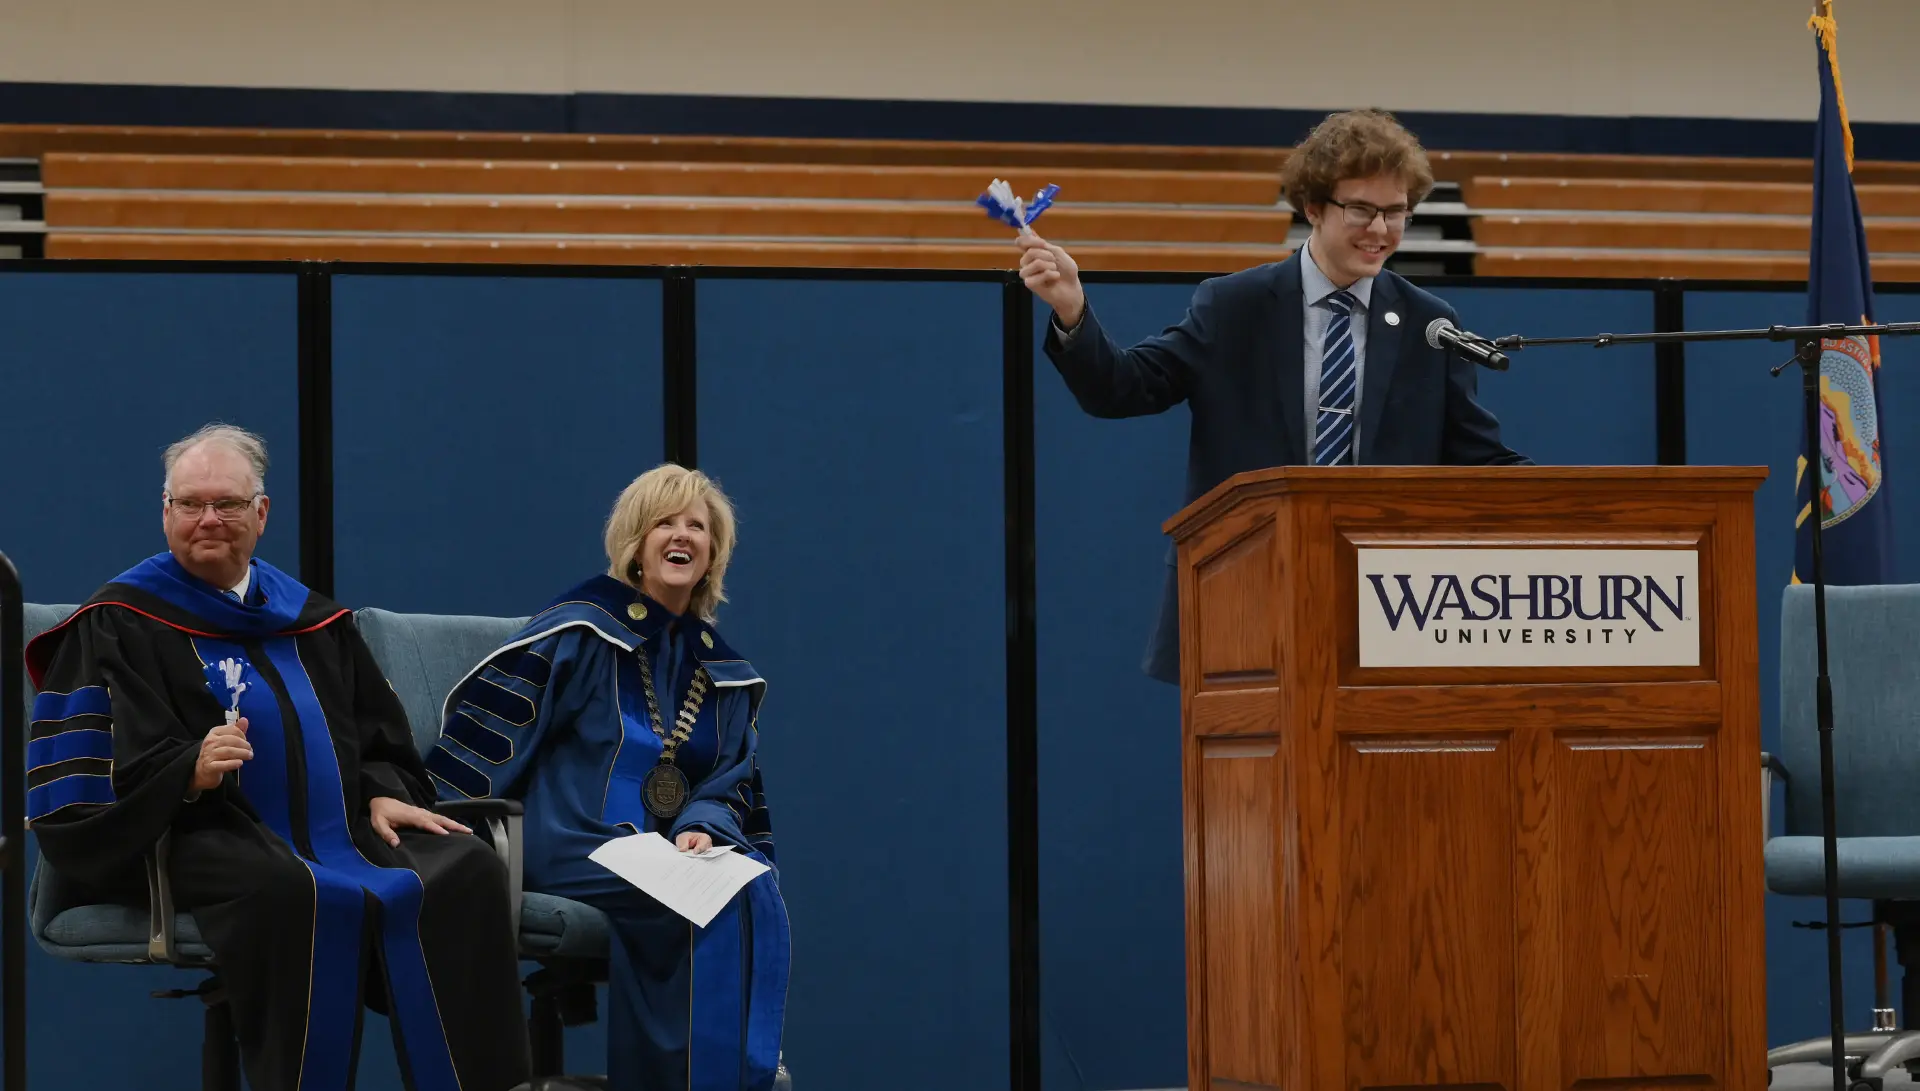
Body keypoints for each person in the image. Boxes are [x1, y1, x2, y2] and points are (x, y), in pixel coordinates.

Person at [25, 424, 531, 1091]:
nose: (209, 518)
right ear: (165, 512)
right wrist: (188, 770)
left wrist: (381, 786)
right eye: (190, 503)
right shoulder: (118, 620)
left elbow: (376, 736)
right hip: (198, 834)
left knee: (464, 869)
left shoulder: (311, 619)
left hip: (345, 829)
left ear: (261, 514)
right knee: (296, 892)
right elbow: (84, 783)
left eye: (228, 504)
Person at [1016, 107, 1530, 684]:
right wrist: (1071, 310)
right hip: (1247, 583)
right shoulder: (1235, 306)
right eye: (1361, 209)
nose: (1381, 230)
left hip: (1387, 604)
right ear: (1313, 207)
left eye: (1396, 212)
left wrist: (1565, 508)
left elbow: (1479, 456)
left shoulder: (1427, 322)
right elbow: (1124, 388)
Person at [430, 463, 789, 1091]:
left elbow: (727, 782)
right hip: (571, 838)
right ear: (636, 544)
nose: (683, 535)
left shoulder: (721, 671)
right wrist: (433, 814)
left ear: (714, 552)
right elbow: (491, 733)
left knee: (755, 889)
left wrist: (703, 826)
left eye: (698, 526)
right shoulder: (583, 631)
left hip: (664, 853)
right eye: (664, 522)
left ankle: (717, 1073)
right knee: (701, 903)